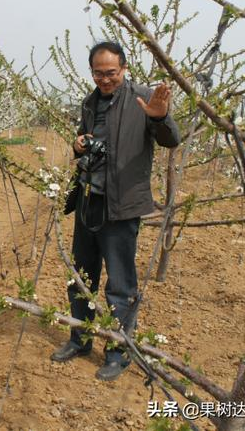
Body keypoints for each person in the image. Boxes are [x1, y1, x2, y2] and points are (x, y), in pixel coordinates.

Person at [51, 42, 180, 381]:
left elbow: (171, 139)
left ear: (124, 68)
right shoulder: (90, 102)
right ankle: (80, 339)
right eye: (98, 73)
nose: (105, 79)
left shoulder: (144, 99)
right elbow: (85, 140)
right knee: (81, 277)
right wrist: (78, 144)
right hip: (88, 202)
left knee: (120, 284)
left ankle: (118, 353)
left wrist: (161, 117)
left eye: (111, 73)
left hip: (121, 208)